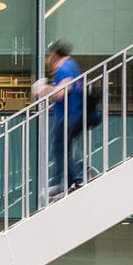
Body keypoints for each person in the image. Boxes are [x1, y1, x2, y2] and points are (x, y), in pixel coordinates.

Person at [34, 41, 85, 198]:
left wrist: (42, 90)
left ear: (55, 52)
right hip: (72, 113)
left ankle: (76, 177)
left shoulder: (63, 68)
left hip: (67, 114)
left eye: (50, 54)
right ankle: (71, 180)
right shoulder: (72, 65)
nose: (49, 58)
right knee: (62, 148)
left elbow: (62, 91)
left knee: (58, 148)